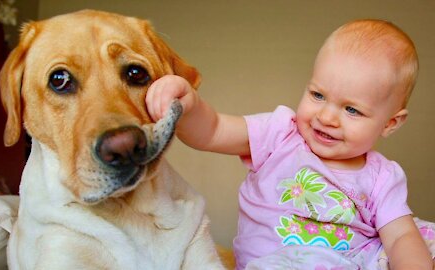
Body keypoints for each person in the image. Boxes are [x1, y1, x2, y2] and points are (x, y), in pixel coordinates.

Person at [146, 19, 435, 269]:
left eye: (351, 110)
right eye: (318, 95)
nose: (326, 117)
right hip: (276, 263)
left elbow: (399, 235)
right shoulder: (280, 133)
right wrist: (188, 105)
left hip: (355, 263)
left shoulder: (382, 176)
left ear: (390, 123)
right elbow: (213, 130)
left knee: (421, 239)